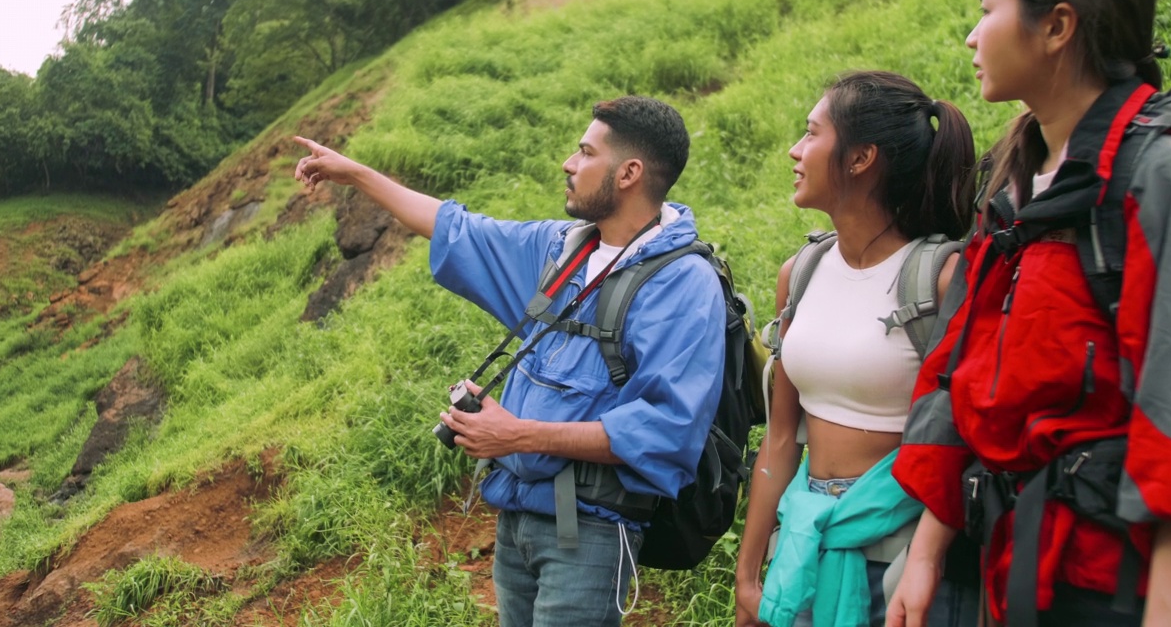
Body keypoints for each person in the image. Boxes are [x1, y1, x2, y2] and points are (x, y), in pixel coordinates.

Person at [293, 95, 726, 627]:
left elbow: (665, 430)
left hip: (587, 536)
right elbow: (455, 227)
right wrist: (355, 174)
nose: (569, 164)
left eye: (586, 153)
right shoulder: (561, 250)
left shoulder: (682, 284)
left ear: (629, 172)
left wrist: (518, 436)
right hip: (516, 523)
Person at [889, 0, 1171, 626]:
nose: (973, 36)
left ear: (1057, 26)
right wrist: (926, 556)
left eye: (988, 10)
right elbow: (962, 374)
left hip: (1113, 587)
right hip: (1006, 567)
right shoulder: (1014, 191)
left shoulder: (1163, 177)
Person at [734, 70, 978, 627]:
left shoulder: (941, 279)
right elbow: (778, 443)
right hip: (802, 543)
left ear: (861, 157)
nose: (795, 151)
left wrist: (928, 558)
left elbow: (964, 434)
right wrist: (749, 578)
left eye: (811, 133)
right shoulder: (801, 274)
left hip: (904, 553)